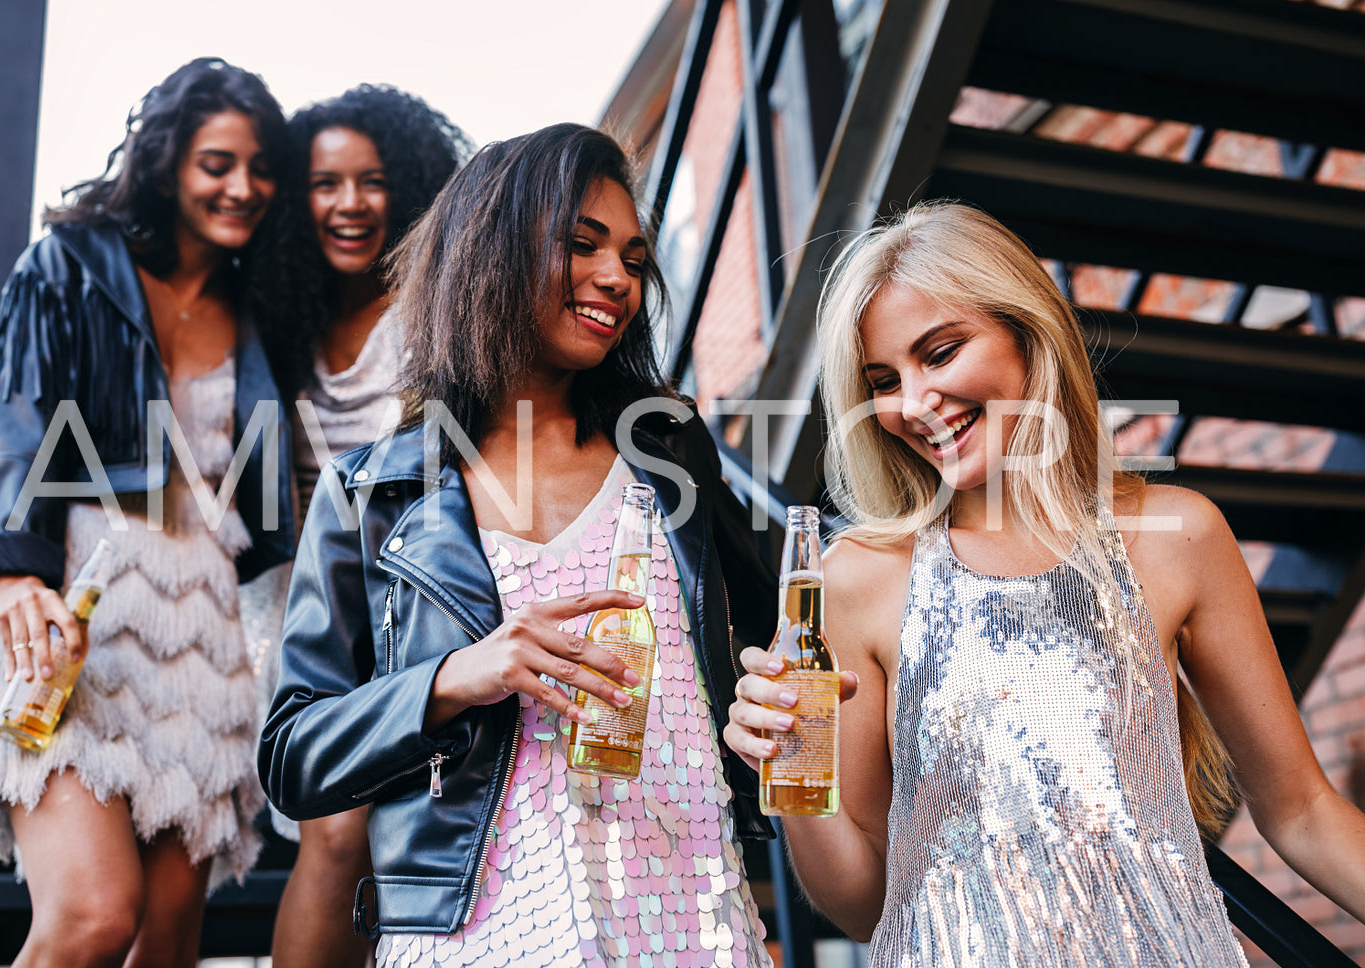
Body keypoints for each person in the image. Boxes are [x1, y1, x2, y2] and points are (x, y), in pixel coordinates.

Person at [723, 201, 1365, 965]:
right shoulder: (858, 578)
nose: (914, 402)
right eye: (882, 380)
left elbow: (1301, 811)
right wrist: (792, 772)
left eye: (940, 351)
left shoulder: (1178, 534)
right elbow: (861, 906)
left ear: (1026, 331)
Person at [259, 123, 779, 967]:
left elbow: (767, 636)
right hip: (479, 934)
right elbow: (293, 753)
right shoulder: (373, 494)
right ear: (491, 254)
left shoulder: (668, 450)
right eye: (581, 245)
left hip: (685, 920)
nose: (617, 278)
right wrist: (456, 678)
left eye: (634, 259)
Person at [0, 57, 293, 968]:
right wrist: (16, 571)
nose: (242, 186)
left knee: (166, 946)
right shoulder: (71, 263)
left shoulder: (258, 308)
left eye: (260, 168)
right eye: (218, 163)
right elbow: (8, 415)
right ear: (170, 159)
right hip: (70, 609)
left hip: (200, 634)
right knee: (95, 915)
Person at [245, 84, 469, 968]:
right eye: (325, 183)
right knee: (331, 835)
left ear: (407, 186)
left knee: (401, 840)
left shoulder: (437, 307)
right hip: (312, 607)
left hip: (420, 597)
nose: (348, 204)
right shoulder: (277, 315)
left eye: (370, 181)